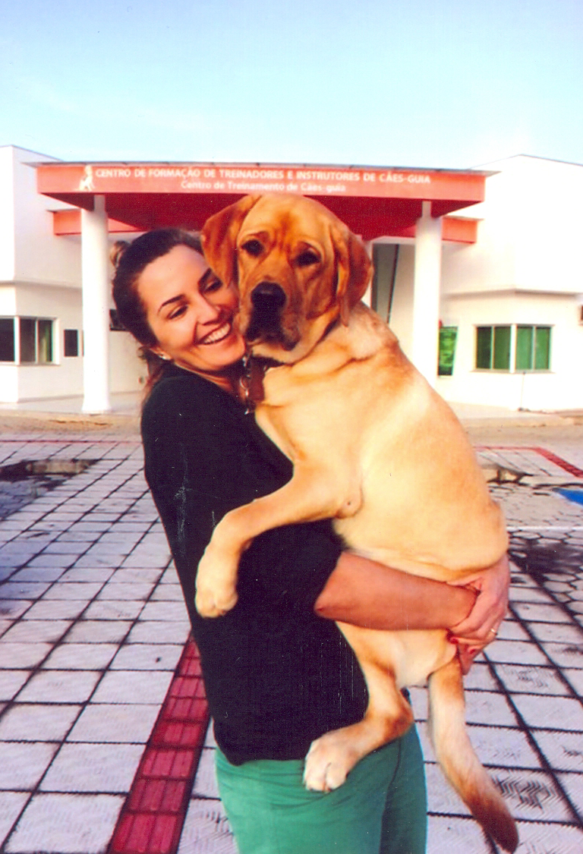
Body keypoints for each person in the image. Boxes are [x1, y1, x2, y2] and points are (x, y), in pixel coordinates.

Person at [111, 227, 509, 854]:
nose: (209, 311)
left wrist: (492, 557)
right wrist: (466, 609)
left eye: (210, 284)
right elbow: (306, 574)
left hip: (377, 726)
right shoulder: (186, 410)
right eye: (176, 310)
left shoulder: (268, 385)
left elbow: (413, 474)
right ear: (151, 341)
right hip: (295, 754)